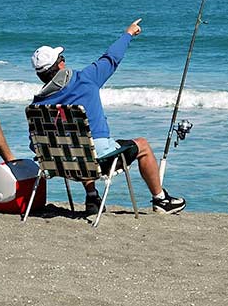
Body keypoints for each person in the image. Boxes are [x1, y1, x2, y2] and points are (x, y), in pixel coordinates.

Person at [30, 18, 186, 215]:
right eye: (62, 59)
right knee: (142, 145)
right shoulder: (86, 79)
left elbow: (34, 144)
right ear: (60, 66)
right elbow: (111, 58)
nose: (64, 61)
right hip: (96, 163)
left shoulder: (37, 105)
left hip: (58, 165)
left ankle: (92, 195)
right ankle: (160, 199)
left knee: (77, 143)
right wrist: (128, 33)